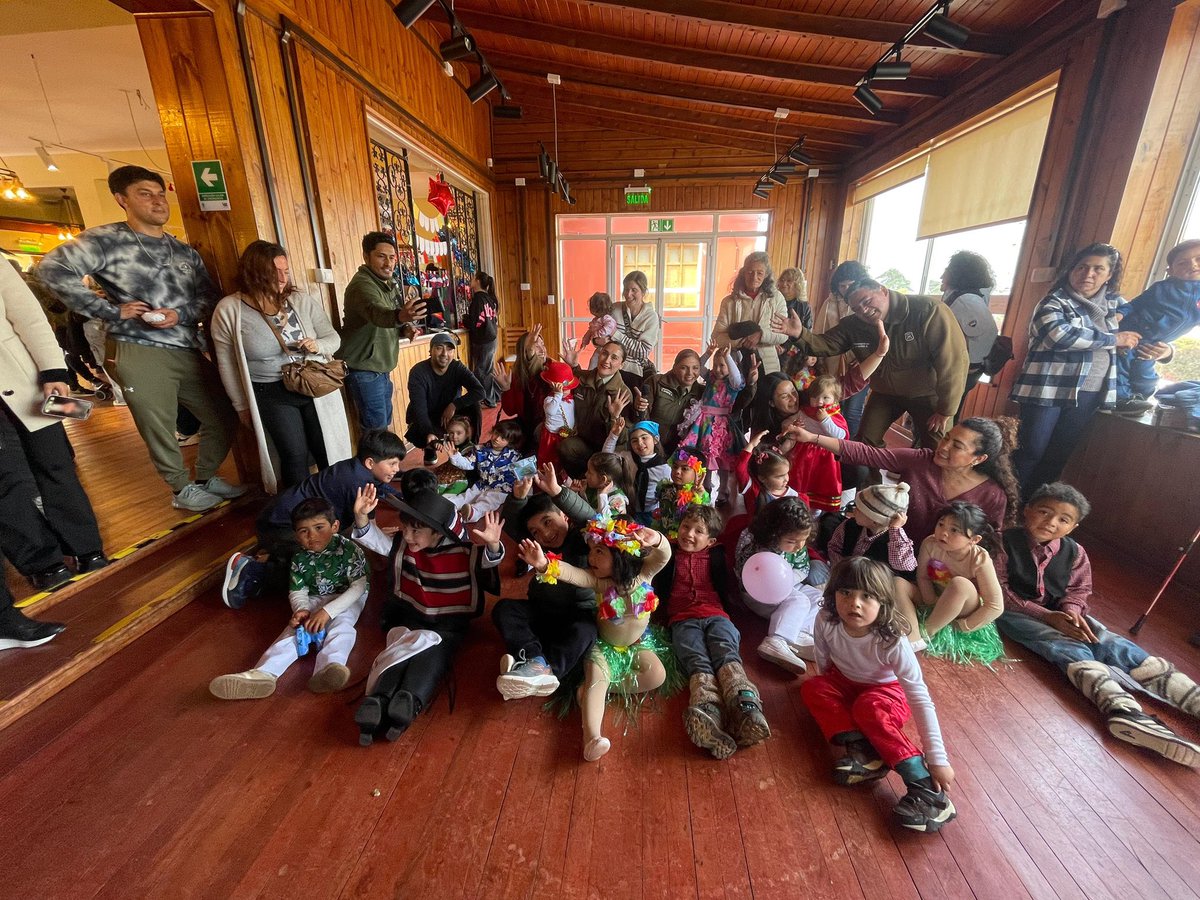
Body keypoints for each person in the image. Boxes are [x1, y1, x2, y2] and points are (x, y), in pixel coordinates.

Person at [38, 165, 245, 512]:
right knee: (158, 423)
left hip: (185, 346)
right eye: (144, 194)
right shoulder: (105, 240)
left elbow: (209, 296)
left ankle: (206, 476)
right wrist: (110, 310)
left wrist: (182, 314)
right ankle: (181, 490)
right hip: (137, 347)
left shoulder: (183, 252)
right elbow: (51, 270)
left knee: (223, 412)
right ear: (122, 200)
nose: (157, 201)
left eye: (160, 193)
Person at [995, 482, 1200, 766]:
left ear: (1074, 526)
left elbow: (1079, 590)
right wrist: (1048, 617)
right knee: (1062, 646)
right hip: (1018, 613)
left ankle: (1192, 699)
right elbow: (999, 590)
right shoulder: (1002, 540)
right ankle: (1122, 709)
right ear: (1027, 510)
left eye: (1063, 520)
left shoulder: (1076, 552)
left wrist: (1070, 613)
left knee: (1109, 641)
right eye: (1044, 512)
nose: (1051, 522)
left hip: (1061, 611)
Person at [800, 557, 956, 833]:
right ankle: (865, 753)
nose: (854, 603)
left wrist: (938, 759)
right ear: (833, 593)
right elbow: (823, 659)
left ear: (883, 602)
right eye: (845, 592)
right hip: (845, 682)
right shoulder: (826, 618)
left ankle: (927, 790)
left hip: (886, 694)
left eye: (867, 596)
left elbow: (919, 696)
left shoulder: (892, 640)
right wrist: (831, 690)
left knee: (868, 707)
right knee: (813, 687)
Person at [351, 486, 505, 745]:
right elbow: (375, 540)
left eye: (416, 530)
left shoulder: (463, 552)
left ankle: (409, 698)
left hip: (448, 624)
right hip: (411, 618)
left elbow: (489, 560)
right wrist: (361, 518)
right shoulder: (402, 546)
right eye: (406, 528)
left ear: (437, 531)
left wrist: (492, 543)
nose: (408, 536)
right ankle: (379, 698)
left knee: (435, 653)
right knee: (400, 651)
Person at [517, 516, 678, 763]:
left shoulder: (645, 575)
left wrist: (655, 538)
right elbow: (572, 575)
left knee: (657, 675)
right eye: (591, 551)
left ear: (621, 555)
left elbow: (663, 555)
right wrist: (543, 564)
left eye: (599, 551)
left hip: (636, 644)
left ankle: (603, 690)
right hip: (603, 646)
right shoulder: (599, 583)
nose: (591, 558)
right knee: (596, 679)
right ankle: (592, 738)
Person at [1009, 244, 1164, 496]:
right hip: (1045, 388)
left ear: (1109, 274)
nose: (1087, 274)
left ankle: (1033, 507)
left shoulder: (1118, 305)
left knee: (1058, 454)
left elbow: (1144, 336)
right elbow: (1058, 335)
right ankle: (1006, 503)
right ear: (1071, 269)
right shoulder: (1054, 300)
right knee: (1031, 450)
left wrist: (1166, 352)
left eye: (1097, 269)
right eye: (1081, 267)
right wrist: (1114, 339)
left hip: (1090, 392)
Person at [212, 240, 350, 492]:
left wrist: (316, 345)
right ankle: (302, 511)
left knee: (328, 449)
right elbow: (227, 363)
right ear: (254, 272)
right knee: (293, 454)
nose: (282, 278)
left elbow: (334, 339)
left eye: (286, 271)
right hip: (271, 390)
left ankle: (338, 503)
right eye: (274, 272)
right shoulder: (230, 309)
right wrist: (240, 405)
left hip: (314, 384)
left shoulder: (300, 300)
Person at [774, 277, 968, 451]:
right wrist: (800, 334)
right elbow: (825, 344)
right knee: (866, 443)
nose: (864, 310)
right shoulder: (854, 324)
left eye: (866, 301)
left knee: (939, 448)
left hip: (927, 394)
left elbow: (953, 362)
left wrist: (946, 410)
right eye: (857, 308)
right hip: (885, 393)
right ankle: (870, 489)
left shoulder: (927, 310)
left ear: (883, 290)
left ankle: (927, 490)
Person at [221, 428, 406, 609]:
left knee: (340, 545)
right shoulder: (358, 485)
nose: (396, 470)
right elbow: (367, 532)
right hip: (281, 528)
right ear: (370, 463)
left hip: (276, 520)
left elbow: (370, 518)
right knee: (327, 572)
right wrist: (382, 558)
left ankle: (275, 556)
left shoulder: (356, 469)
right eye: (392, 464)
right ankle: (252, 571)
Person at [209, 498, 368, 699]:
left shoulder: (350, 551)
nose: (312, 536)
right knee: (295, 630)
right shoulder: (300, 558)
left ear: (335, 526)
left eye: (319, 527)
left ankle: (328, 668)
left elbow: (357, 588)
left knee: (342, 627)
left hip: (347, 597)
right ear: (296, 535)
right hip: (315, 596)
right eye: (304, 531)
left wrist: (327, 612)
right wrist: (301, 610)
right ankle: (263, 673)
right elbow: (298, 590)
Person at [787, 416, 1019, 545]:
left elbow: (990, 539)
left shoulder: (991, 494)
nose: (944, 447)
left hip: (940, 569)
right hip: (892, 550)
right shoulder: (920, 460)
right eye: (946, 437)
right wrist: (812, 438)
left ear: (979, 459)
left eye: (957, 446)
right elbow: (868, 453)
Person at [654, 504, 769, 759]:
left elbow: (728, 585)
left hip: (716, 614)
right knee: (695, 657)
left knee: (726, 652)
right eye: (686, 527)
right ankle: (709, 711)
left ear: (711, 540)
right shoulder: (669, 553)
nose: (689, 534)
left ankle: (744, 705)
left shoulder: (716, 556)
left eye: (698, 531)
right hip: (682, 619)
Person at [494, 469, 599, 700]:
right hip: (543, 612)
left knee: (586, 631)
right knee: (504, 609)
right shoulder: (538, 547)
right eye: (536, 531)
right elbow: (513, 525)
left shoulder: (584, 540)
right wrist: (518, 499)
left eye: (548, 522)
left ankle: (548, 670)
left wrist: (558, 493)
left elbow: (594, 520)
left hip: (576, 615)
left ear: (564, 516)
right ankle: (533, 660)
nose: (546, 534)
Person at [336, 232, 426, 429]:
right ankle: (373, 461)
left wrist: (407, 329)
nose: (388, 263)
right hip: (364, 369)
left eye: (392, 257)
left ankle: (382, 460)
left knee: (382, 425)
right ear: (366, 257)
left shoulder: (388, 284)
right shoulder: (362, 285)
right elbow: (378, 313)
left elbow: (393, 319)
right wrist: (402, 317)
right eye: (381, 256)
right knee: (376, 430)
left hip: (381, 368)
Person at [904, 501, 1004, 665]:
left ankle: (927, 631)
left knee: (960, 584)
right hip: (934, 598)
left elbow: (995, 606)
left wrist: (963, 625)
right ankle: (912, 632)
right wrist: (931, 602)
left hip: (963, 609)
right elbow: (922, 577)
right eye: (941, 524)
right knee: (898, 583)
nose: (943, 533)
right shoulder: (930, 543)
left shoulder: (980, 559)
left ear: (974, 539)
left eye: (954, 530)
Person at [735, 497, 824, 674]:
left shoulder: (798, 544)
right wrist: (782, 584)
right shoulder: (754, 543)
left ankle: (798, 635)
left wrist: (789, 580)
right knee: (799, 601)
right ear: (774, 534)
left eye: (803, 540)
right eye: (792, 541)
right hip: (759, 593)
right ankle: (776, 640)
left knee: (818, 598)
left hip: (789, 586)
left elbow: (802, 567)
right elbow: (747, 574)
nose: (799, 546)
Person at [1113, 238, 1200, 414]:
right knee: (1120, 365)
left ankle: (1140, 399)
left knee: (1145, 376)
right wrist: (1120, 314)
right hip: (1131, 334)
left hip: (1152, 344)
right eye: (1183, 263)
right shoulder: (1161, 288)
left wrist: (1168, 350)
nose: (1193, 265)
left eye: (1198, 259)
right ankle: (1122, 399)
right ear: (1170, 271)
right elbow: (1134, 304)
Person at [677, 343, 751, 504]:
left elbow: (737, 377)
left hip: (722, 424)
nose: (717, 369)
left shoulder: (733, 383)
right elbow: (700, 367)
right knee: (706, 456)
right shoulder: (711, 378)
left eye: (722, 365)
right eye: (715, 365)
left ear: (732, 367)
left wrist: (729, 357)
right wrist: (708, 353)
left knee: (723, 458)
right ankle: (706, 486)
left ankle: (724, 489)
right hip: (704, 423)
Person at [812, 260, 871, 439]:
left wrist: (863, 357)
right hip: (832, 364)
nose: (846, 289)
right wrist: (818, 360)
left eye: (850, 285)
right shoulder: (829, 303)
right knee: (833, 405)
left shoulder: (865, 304)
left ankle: (849, 451)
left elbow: (873, 337)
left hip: (859, 365)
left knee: (853, 410)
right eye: (842, 285)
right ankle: (831, 447)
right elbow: (819, 333)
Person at [405, 332, 484, 464]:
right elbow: (419, 409)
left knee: (474, 405)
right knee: (423, 429)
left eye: (449, 349)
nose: (444, 353)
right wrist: (429, 432)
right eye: (439, 347)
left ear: (453, 353)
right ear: (430, 351)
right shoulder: (418, 372)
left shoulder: (457, 367)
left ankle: (471, 448)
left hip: (449, 414)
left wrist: (454, 405)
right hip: (426, 415)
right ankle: (430, 447)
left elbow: (479, 391)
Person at [557, 340, 632, 477]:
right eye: (604, 353)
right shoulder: (582, 378)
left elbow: (623, 439)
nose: (607, 360)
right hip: (582, 441)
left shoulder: (624, 394)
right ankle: (580, 481)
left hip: (608, 449)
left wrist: (614, 417)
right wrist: (573, 366)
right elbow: (569, 379)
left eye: (614, 357)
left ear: (622, 364)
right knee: (565, 445)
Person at [940, 251, 1000, 416]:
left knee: (942, 417)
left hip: (960, 372)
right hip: (961, 371)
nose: (941, 276)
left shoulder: (966, 302)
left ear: (959, 273)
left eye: (947, 270)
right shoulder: (969, 298)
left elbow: (978, 340)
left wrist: (962, 370)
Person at [713, 251, 789, 374]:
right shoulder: (729, 302)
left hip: (768, 365)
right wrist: (741, 342)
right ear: (743, 273)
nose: (754, 277)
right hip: (735, 366)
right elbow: (717, 337)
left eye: (760, 273)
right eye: (750, 272)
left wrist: (761, 336)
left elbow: (784, 335)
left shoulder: (776, 299)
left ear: (766, 275)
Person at [825, 483, 916, 579]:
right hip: (841, 574)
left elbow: (906, 566)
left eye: (860, 509)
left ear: (875, 520)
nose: (854, 510)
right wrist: (842, 568)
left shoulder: (894, 539)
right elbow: (834, 547)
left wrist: (896, 529)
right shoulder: (849, 525)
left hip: (869, 584)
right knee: (817, 568)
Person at [786, 374, 848, 515]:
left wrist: (825, 420)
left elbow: (841, 437)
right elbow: (789, 422)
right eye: (815, 398)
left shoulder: (834, 415)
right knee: (800, 482)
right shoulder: (805, 411)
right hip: (803, 454)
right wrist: (793, 425)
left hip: (824, 458)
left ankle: (815, 515)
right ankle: (797, 509)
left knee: (820, 485)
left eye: (825, 398)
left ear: (835, 399)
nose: (819, 402)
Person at [447, 418, 523, 523]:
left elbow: (523, 476)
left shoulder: (515, 456)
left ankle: (473, 513)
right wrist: (455, 456)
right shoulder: (479, 449)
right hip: (482, 484)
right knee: (467, 495)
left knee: (489, 502)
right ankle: (446, 504)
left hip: (502, 489)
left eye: (503, 438)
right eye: (496, 433)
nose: (497, 438)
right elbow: (468, 463)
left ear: (510, 442)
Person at [633, 349, 704, 454]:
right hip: (649, 446)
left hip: (680, 451)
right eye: (684, 368)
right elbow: (642, 420)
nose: (690, 373)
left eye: (695, 368)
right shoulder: (655, 382)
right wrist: (637, 407)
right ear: (674, 368)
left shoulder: (702, 393)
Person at [602, 419, 670, 524]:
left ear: (655, 439)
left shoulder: (664, 468)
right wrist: (614, 435)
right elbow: (606, 459)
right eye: (634, 440)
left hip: (651, 514)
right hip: (627, 509)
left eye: (644, 437)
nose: (640, 443)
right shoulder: (627, 458)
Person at [495, 325, 548, 451]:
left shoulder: (550, 368)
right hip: (526, 422)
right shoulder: (518, 374)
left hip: (546, 424)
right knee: (502, 431)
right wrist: (506, 389)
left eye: (542, 344)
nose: (542, 349)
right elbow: (510, 411)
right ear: (524, 351)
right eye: (536, 345)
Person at [610, 270, 661, 395]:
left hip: (634, 372)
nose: (628, 294)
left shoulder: (651, 317)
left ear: (643, 292)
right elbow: (601, 339)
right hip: (611, 368)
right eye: (626, 289)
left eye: (634, 290)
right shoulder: (614, 309)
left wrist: (615, 335)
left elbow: (643, 351)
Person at [653, 447, 711, 540]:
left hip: (683, 541)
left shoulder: (698, 496)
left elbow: (703, 518)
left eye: (685, 469)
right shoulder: (664, 489)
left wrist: (699, 495)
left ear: (698, 474)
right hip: (663, 537)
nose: (677, 472)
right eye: (675, 467)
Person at [465, 270, 500, 407]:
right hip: (491, 338)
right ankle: (495, 396)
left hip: (483, 339)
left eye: (473, 278)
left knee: (482, 371)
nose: (471, 280)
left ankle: (490, 400)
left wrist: (466, 321)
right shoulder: (489, 299)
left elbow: (476, 322)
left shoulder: (478, 299)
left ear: (478, 281)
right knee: (487, 370)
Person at [537, 361, 577, 471]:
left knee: (563, 460)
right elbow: (551, 411)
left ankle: (562, 479)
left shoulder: (572, 398)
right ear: (551, 386)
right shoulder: (550, 400)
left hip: (567, 434)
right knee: (549, 459)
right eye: (562, 389)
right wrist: (558, 395)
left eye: (567, 388)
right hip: (552, 436)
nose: (565, 391)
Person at [777, 265, 813, 367]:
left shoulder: (803, 306)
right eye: (782, 280)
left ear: (797, 284)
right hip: (771, 345)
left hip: (794, 353)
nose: (784, 283)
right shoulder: (773, 300)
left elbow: (807, 333)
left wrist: (785, 347)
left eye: (789, 281)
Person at [582, 291, 618, 369]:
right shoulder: (596, 319)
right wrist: (585, 341)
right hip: (600, 347)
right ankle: (591, 376)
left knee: (601, 363)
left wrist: (598, 334)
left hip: (608, 346)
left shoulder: (607, 318)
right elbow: (590, 331)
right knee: (593, 361)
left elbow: (609, 327)